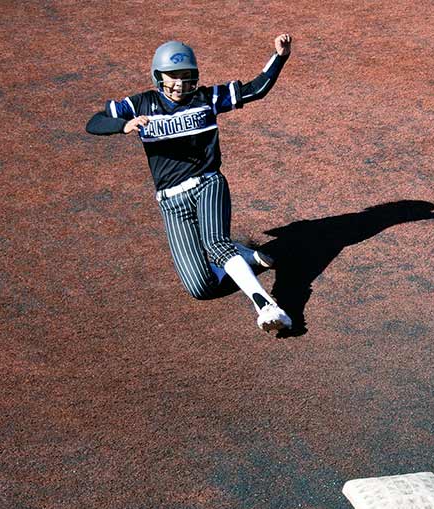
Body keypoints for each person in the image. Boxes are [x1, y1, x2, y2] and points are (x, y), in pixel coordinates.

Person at [85, 34, 294, 332]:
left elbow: (256, 89)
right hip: (171, 201)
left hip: (207, 183)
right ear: (158, 77)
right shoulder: (141, 104)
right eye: (173, 77)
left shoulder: (206, 98)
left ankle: (267, 305)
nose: (180, 84)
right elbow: (94, 122)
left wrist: (280, 57)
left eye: (186, 77)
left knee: (216, 244)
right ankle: (246, 255)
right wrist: (124, 125)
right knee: (200, 287)